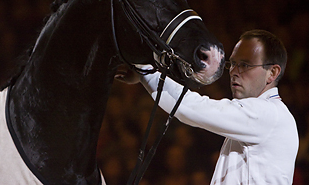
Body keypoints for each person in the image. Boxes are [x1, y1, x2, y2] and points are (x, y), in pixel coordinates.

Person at [117, 29, 299, 184]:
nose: (234, 72)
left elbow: (190, 107)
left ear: (272, 73)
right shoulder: (262, 117)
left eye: (245, 65)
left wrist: (144, 71)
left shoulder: (269, 114)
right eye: (233, 64)